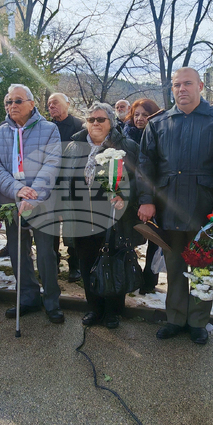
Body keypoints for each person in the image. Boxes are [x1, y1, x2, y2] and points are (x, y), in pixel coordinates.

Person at [138, 68, 213, 345]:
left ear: (200, 86)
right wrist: (146, 200)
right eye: (176, 85)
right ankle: (175, 318)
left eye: (187, 84)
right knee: (173, 266)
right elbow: (146, 165)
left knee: (202, 266)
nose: (181, 89)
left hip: (204, 208)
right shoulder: (158, 123)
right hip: (168, 206)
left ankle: (198, 321)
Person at [0, 84, 65, 323]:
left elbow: (52, 163)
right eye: (8, 102)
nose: (12, 106)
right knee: (18, 253)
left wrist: (33, 194)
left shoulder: (49, 129)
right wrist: (18, 190)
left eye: (18, 101)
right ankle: (28, 298)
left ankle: (52, 301)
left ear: (32, 104)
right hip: (12, 201)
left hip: (42, 201)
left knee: (46, 255)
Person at [63, 102, 142, 328]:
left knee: (113, 261)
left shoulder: (127, 146)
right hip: (82, 216)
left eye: (101, 119)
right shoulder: (74, 145)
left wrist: (125, 197)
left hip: (112, 217)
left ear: (111, 122)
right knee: (87, 264)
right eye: (91, 120)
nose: (95, 123)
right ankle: (94, 308)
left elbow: (139, 179)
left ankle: (113, 311)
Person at [123, 98, 162, 294]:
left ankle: (149, 279)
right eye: (136, 114)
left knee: (154, 239)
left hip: (153, 196)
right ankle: (131, 274)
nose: (140, 119)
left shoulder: (158, 135)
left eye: (145, 115)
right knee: (130, 238)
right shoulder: (125, 137)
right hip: (130, 196)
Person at [48, 92, 84, 282]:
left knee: (72, 226)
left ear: (68, 104)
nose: (51, 106)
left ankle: (75, 265)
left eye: (55, 103)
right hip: (51, 183)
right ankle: (53, 262)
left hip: (72, 184)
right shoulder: (46, 127)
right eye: (49, 104)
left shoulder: (79, 126)